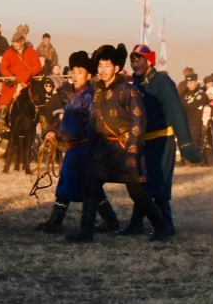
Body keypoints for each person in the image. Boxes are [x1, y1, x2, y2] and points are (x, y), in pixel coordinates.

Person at [66, 44, 169, 242]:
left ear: (116, 68)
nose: (102, 69)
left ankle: (162, 227)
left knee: (137, 192)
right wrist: (90, 153)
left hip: (125, 148)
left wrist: (132, 152)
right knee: (91, 186)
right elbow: (95, 124)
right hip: (103, 149)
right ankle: (86, 231)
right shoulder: (98, 93)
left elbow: (138, 121)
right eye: (100, 65)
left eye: (107, 65)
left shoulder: (127, 91)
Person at [124, 45, 202, 236]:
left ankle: (166, 225)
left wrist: (185, 143)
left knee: (158, 183)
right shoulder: (134, 84)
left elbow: (176, 111)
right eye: (132, 60)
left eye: (139, 59)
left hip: (161, 140)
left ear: (149, 61)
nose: (135, 64)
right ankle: (137, 223)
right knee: (141, 184)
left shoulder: (162, 81)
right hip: (142, 141)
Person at [36, 51, 111, 234]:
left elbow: (95, 125)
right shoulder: (74, 96)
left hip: (83, 148)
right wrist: (54, 131)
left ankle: (55, 222)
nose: (74, 75)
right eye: (73, 71)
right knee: (89, 188)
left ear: (89, 75)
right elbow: (67, 121)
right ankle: (111, 220)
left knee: (67, 184)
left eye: (79, 71)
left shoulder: (89, 97)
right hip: (73, 147)